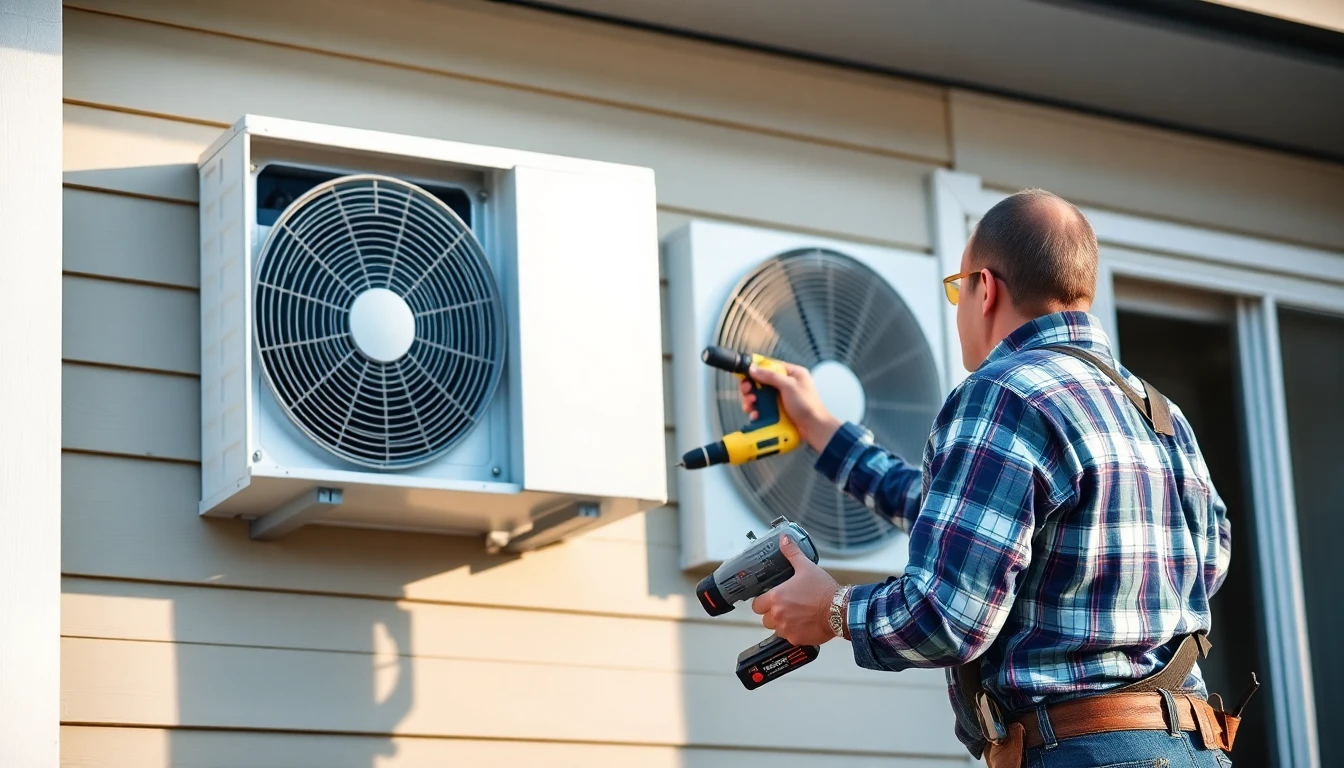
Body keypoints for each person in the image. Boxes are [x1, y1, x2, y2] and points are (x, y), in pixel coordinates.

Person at [742, 189, 1243, 767]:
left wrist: (833, 610)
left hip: (1081, 752)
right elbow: (1210, 562)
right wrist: (824, 429)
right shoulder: (1159, 414)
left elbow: (948, 617)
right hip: (1193, 748)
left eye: (957, 289)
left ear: (985, 288)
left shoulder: (1003, 393)